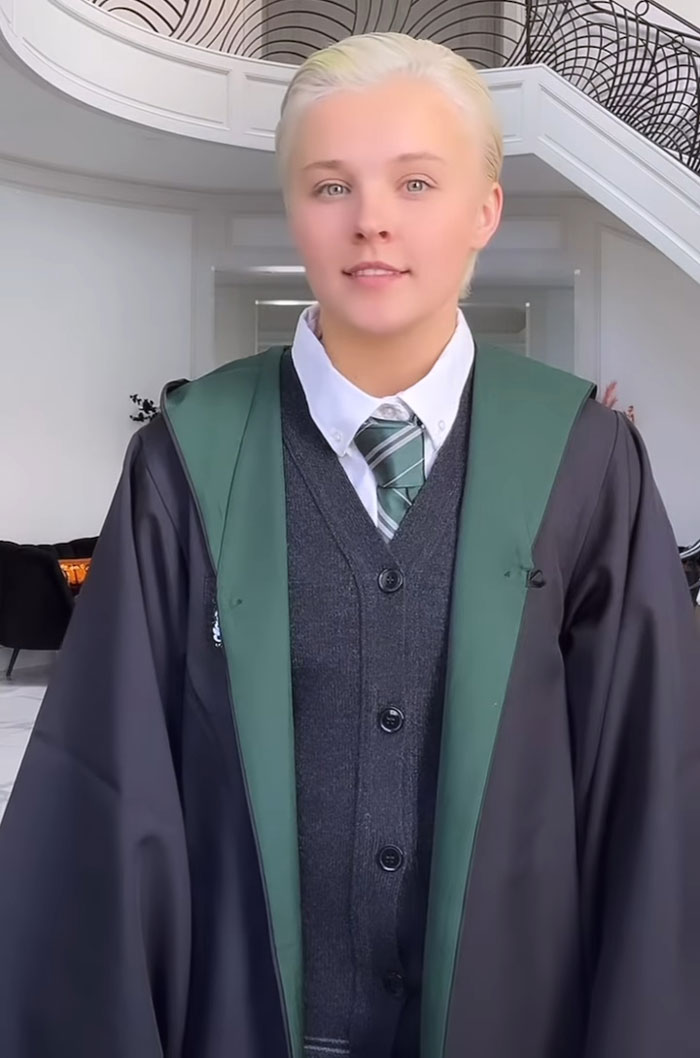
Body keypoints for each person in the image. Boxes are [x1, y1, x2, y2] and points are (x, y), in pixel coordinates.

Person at [0, 30, 698, 1058]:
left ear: (484, 211)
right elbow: (102, 801)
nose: (371, 218)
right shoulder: (188, 461)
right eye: (331, 185)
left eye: (416, 182)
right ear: (293, 209)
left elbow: (653, 806)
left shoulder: (585, 461)